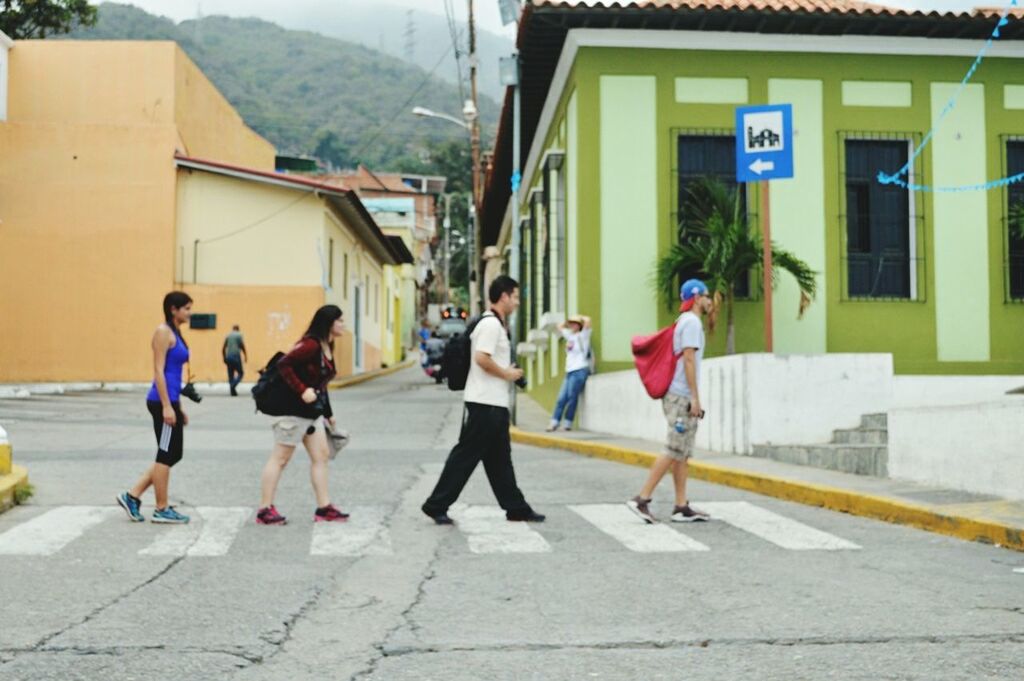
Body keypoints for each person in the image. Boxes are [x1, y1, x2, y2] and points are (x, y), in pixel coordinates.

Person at [421, 275, 545, 525]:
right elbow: (481, 358)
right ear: (504, 296)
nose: (518, 302)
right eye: (516, 297)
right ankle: (436, 504)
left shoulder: (495, 324)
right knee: (465, 456)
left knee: (499, 459)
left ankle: (516, 507)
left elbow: (488, 359)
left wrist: (507, 371)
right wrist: (506, 373)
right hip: (484, 404)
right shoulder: (490, 325)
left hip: (492, 404)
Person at [627, 279, 712, 524]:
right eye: (706, 296)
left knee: (682, 452)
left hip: (678, 395)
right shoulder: (692, 323)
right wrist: (695, 398)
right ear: (697, 298)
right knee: (674, 448)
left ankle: (681, 505)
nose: (709, 301)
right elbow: (688, 361)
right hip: (681, 396)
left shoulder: (684, 321)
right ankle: (641, 499)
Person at [255, 305, 349, 525]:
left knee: (321, 456)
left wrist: (328, 413)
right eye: (340, 321)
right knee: (280, 459)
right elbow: (284, 364)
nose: (343, 325)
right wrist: (301, 389)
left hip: (309, 413)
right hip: (291, 410)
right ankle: (264, 509)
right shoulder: (310, 345)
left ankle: (324, 508)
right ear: (329, 323)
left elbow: (320, 383)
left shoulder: (327, 345)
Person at [117, 291, 195, 524]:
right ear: (174, 309)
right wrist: (166, 407)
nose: (190, 313)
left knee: (174, 453)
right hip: (161, 401)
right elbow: (158, 370)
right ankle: (161, 508)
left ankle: (132, 496)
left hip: (171, 400)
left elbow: (173, 374)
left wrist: (177, 407)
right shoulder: (163, 332)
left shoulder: (176, 333)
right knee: (165, 453)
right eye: (187, 308)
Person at [547, 314, 592, 432]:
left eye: (575, 323)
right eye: (571, 323)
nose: (572, 325)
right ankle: (554, 422)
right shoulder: (570, 336)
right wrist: (568, 322)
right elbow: (559, 327)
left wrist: (580, 317)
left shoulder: (583, 335)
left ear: (579, 325)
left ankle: (568, 422)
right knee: (561, 398)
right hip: (569, 371)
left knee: (572, 397)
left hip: (580, 369)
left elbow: (588, 320)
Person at [222, 324, 248, 396]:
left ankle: (232, 392)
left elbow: (223, 348)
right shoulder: (239, 335)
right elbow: (242, 346)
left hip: (228, 356)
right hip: (236, 356)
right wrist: (245, 356)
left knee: (231, 374)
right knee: (241, 373)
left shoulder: (228, 335)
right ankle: (233, 384)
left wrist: (224, 358)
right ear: (238, 329)